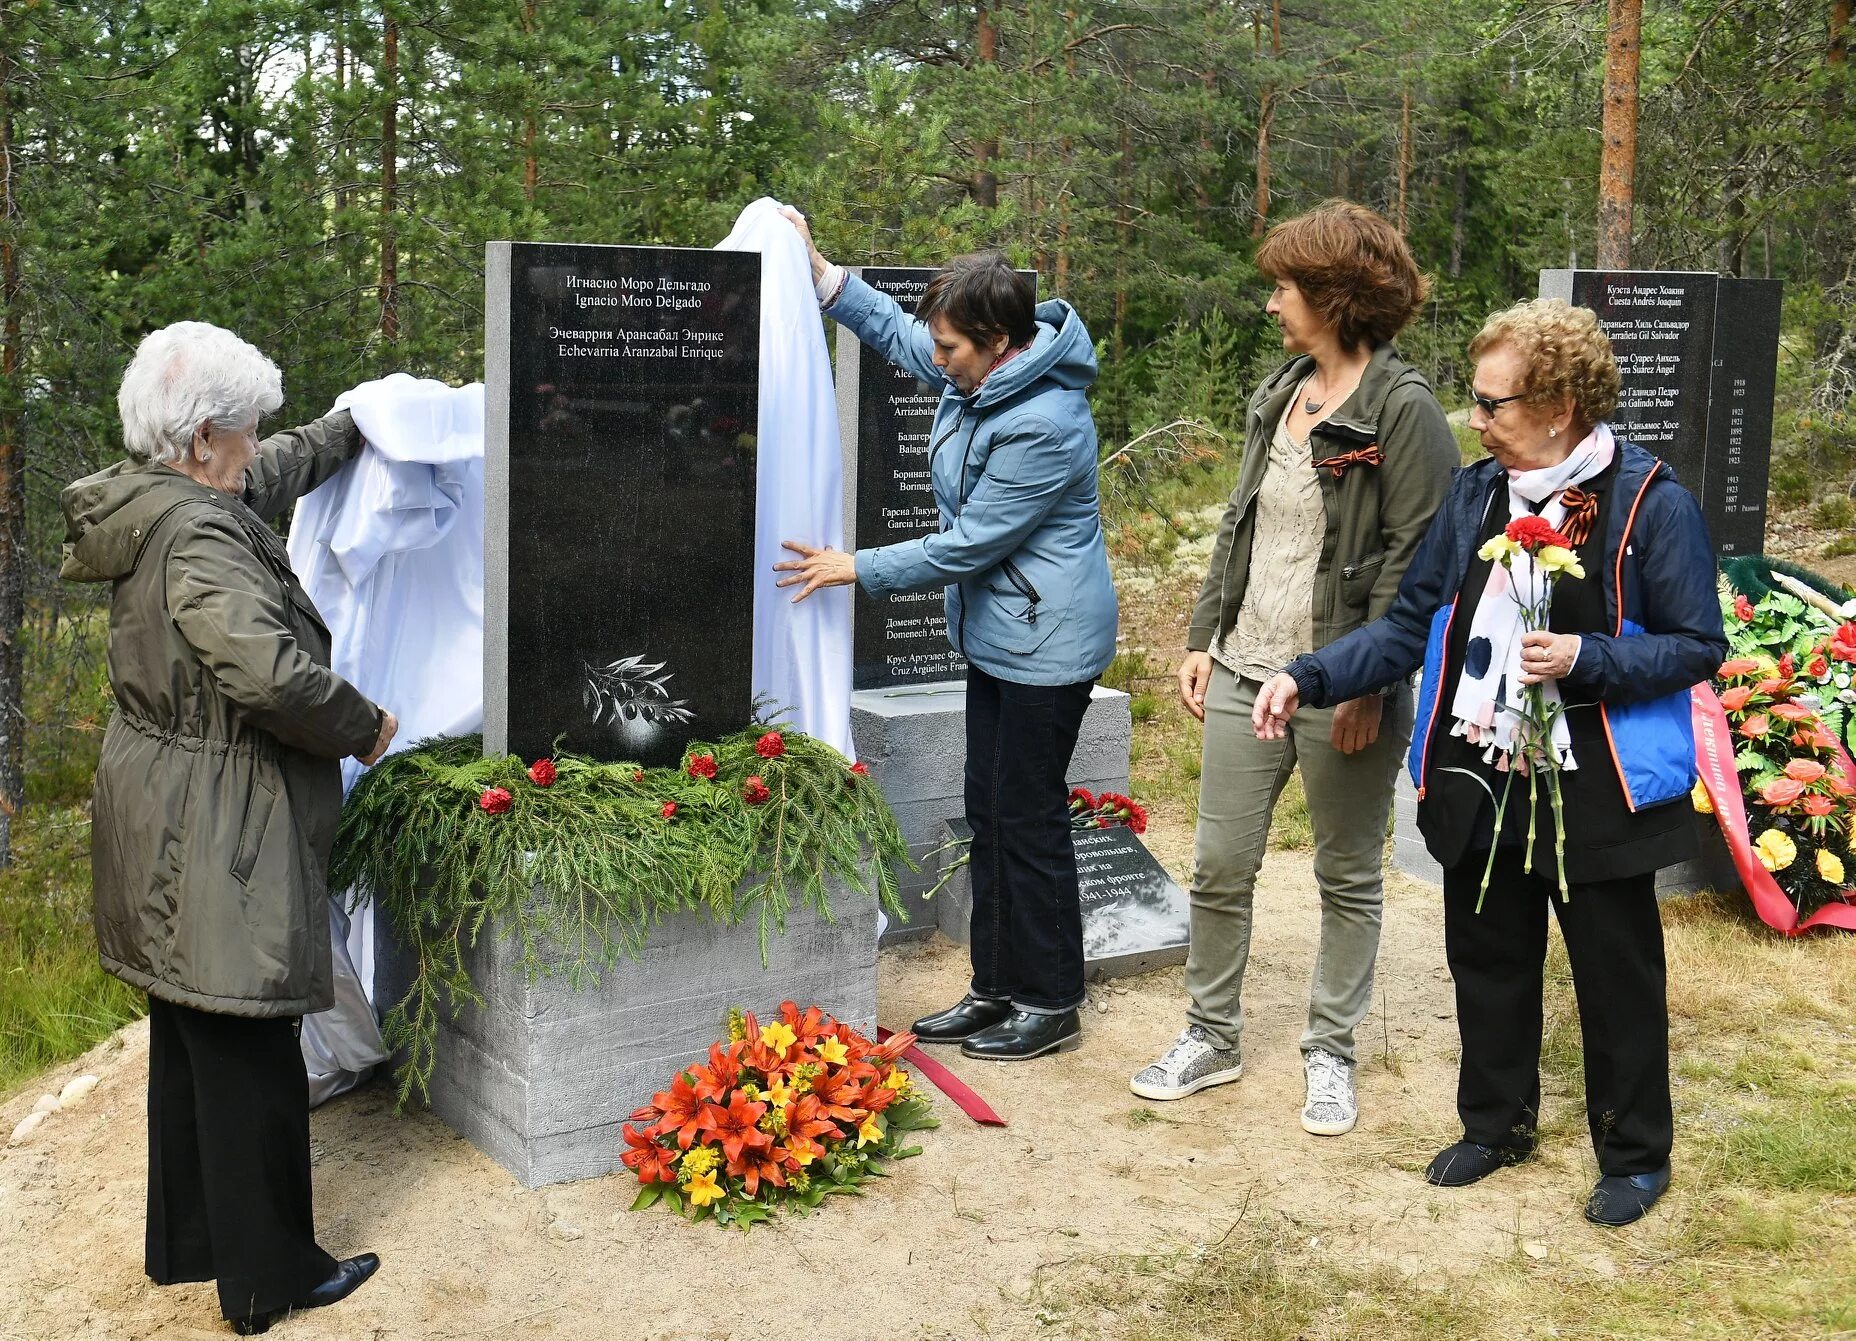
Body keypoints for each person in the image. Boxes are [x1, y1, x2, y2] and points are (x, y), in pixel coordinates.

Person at [1252, 299, 1725, 1225]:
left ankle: (1633, 1154)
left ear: (1557, 404)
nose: (1478, 419)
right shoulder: (1474, 495)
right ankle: (1496, 1122)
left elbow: (1698, 644)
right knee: (1488, 956)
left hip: (1598, 785)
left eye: (1493, 404)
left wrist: (1591, 660)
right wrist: (1306, 675)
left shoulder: (1650, 502)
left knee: (1614, 974)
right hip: (1483, 766)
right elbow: (1404, 622)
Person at [60, 322, 398, 1333]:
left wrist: (359, 425)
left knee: (195, 1032)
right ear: (204, 440)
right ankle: (272, 1279)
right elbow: (263, 673)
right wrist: (362, 724)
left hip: (164, 802)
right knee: (249, 1042)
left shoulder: (164, 496)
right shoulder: (201, 532)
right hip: (217, 818)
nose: (256, 446)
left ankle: (198, 1243)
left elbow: (278, 466)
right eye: (243, 432)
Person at [1130, 201, 1456, 1138]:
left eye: (1285, 286)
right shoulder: (1283, 390)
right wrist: (1203, 633)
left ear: (1336, 294)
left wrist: (1362, 682)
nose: (1272, 302)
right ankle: (1211, 1035)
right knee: (1221, 864)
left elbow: (1413, 569)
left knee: (1346, 873)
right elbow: (1242, 521)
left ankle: (1330, 1050)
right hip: (1243, 667)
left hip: (1339, 682)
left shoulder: (1405, 410)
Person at [773, 211, 1118, 1060]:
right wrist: (822, 272)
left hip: (1049, 644)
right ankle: (995, 985)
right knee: (988, 808)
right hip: (1001, 636)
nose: (937, 359)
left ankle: (1050, 999)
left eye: (952, 348)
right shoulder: (980, 378)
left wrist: (857, 566)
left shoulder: (1046, 419)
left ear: (998, 341)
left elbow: (973, 544)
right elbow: (899, 332)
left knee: (1028, 816)